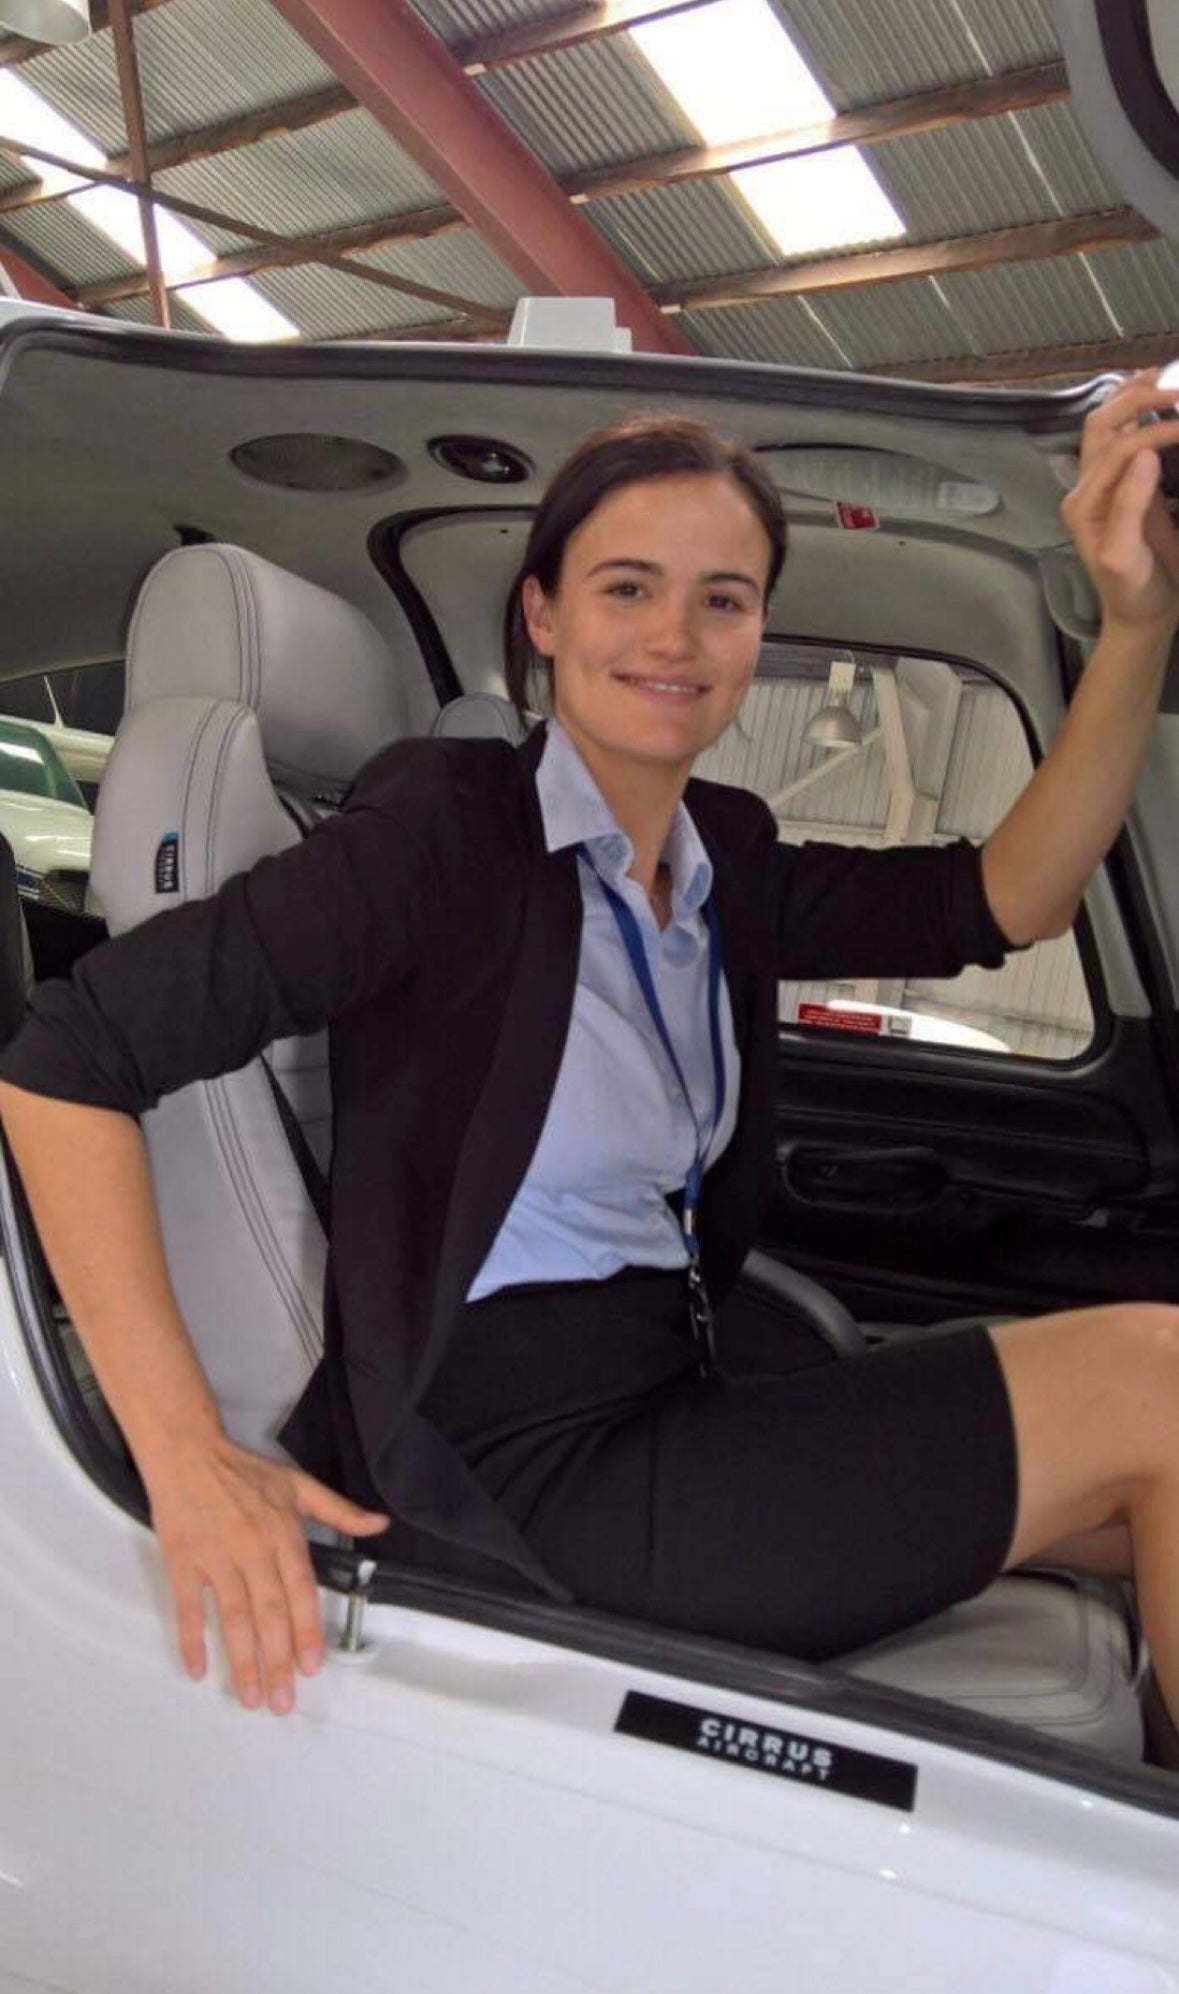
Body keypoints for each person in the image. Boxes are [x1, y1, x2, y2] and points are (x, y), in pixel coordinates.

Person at [1, 378, 1178, 1731]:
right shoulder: (445, 831)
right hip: (522, 1463)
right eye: (628, 589)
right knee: (1160, 1379)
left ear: (755, 637)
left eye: (723, 599)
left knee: (1133, 1481)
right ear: (546, 617)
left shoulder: (721, 851)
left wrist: (1139, 621)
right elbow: (67, 1056)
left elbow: (1004, 899)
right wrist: (188, 1453)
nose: (676, 634)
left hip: (679, 1383)